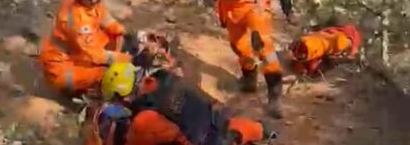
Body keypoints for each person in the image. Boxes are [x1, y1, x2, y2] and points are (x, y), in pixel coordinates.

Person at [82, 62, 278, 145]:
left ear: (122, 97)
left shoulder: (144, 120)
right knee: (245, 128)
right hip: (221, 124)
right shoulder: (164, 77)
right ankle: (263, 131)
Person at [39, 0, 131, 96]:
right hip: (60, 66)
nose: (94, 0)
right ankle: (87, 94)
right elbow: (95, 55)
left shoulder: (88, 2)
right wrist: (126, 59)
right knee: (106, 73)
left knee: (115, 37)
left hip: (77, 49)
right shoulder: (76, 21)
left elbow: (104, 17)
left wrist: (120, 31)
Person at [288, 25, 362, 76]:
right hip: (316, 46)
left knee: (311, 61)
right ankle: (301, 63)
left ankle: (300, 63)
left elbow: (323, 32)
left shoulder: (341, 32)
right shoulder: (348, 39)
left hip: (314, 43)